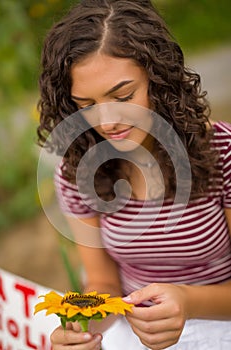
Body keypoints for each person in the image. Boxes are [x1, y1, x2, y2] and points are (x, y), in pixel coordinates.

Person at [37, 0, 231, 349]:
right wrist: (85, 326)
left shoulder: (223, 152)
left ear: (160, 81)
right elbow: (103, 283)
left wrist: (186, 302)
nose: (107, 121)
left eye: (123, 96)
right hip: (136, 332)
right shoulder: (77, 171)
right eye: (86, 106)